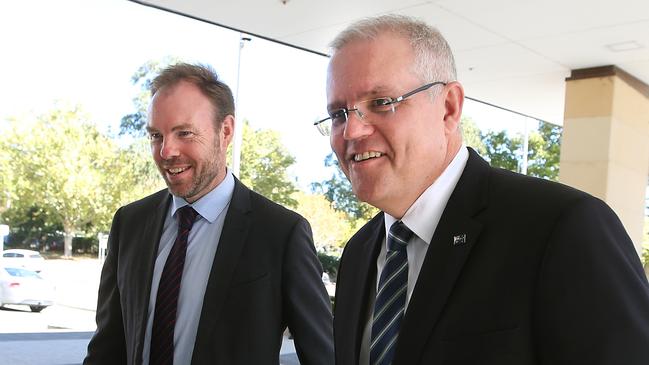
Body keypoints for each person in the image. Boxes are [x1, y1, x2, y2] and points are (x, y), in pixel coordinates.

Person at [315, 14, 649, 365]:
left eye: (382, 103)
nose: (352, 132)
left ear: (448, 108)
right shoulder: (359, 253)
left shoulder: (562, 228)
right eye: (338, 114)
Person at [85, 63, 334, 365]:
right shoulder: (130, 223)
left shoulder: (281, 233)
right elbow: (107, 348)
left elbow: (323, 355)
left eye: (184, 133)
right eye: (155, 135)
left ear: (225, 131)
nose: (166, 151)